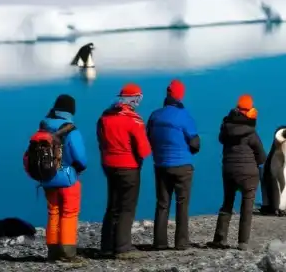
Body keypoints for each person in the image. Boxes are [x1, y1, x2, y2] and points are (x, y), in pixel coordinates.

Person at [97, 83, 152, 259]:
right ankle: (122, 247)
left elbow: (101, 142)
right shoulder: (134, 120)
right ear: (134, 98)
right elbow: (144, 149)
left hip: (109, 165)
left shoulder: (104, 117)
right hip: (128, 166)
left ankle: (106, 246)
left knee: (112, 205)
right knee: (127, 207)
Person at [33, 94, 88, 264]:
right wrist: (80, 168)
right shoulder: (70, 129)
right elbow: (80, 157)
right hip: (67, 178)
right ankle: (68, 252)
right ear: (71, 110)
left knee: (53, 212)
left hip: (47, 178)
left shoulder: (43, 127)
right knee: (69, 214)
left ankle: (53, 251)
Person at [147, 79, 200, 250]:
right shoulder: (184, 116)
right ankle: (181, 242)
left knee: (162, 203)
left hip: (161, 164)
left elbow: (148, 138)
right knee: (182, 203)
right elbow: (195, 144)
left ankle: (160, 242)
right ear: (180, 95)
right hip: (182, 165)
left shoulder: (155, 115)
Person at [212, 94, 267, 251]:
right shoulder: (251, 133)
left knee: (227, 203)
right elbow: (262, 156)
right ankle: (242, 242)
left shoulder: (226, 128)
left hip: (229, 170)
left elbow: (221, 140)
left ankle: (219, 239)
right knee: (247, 206)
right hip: (249, 173)